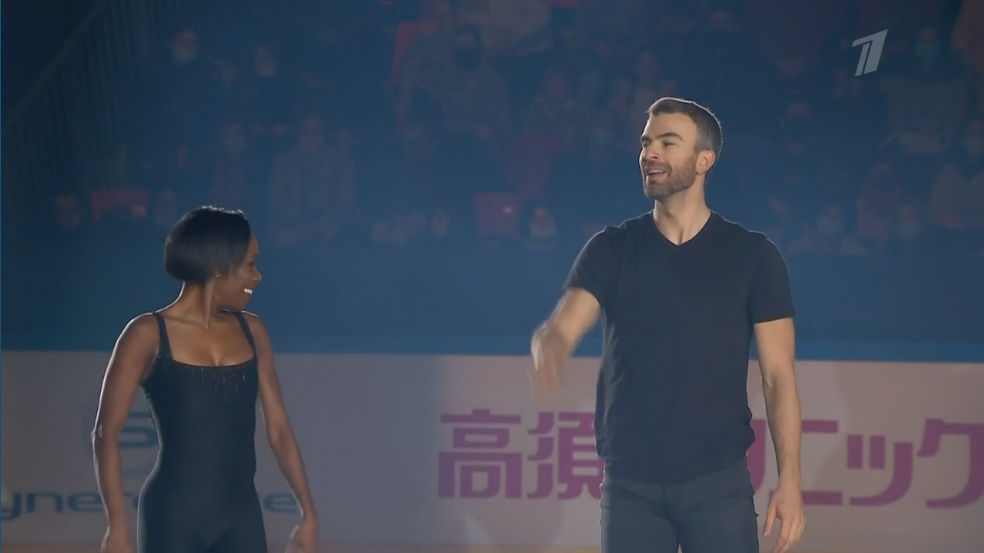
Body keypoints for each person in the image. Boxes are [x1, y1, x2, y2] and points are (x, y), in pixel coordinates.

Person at [529, 98, 806, 553]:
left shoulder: (752, 256)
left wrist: (790, 479)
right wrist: (551, 341)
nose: (650, 153)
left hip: (718, 483)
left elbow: (778, 377)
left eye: (667, 142)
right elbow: (566, 323)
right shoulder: (612, 249)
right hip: (630, 486)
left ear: (704, 159)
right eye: (646, 143)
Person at [92, 207, 319, 553]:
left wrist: (308, 513)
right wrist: (116, 525)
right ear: (217, 267)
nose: (257, 276)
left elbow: (279, 430)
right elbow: (105, 433)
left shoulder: (253, 331)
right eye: (250, 264)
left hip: (241, 517)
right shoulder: (146, 334)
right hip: (172, 517)